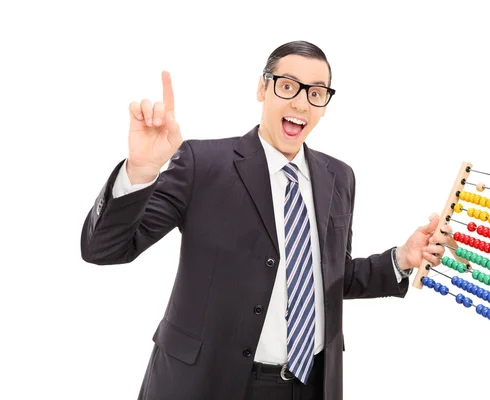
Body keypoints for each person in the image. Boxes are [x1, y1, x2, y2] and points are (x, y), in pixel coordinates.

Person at [81, 40, 449, 400]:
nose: (301, 103)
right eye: (288, 86)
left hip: (311, 384)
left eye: (316, 93)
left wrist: (402, 259)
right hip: (208, 382)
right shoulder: (202, 163)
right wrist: (142, 170)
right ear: (262, 88)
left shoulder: (340, 177)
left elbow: (327, 278)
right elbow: (105, 249)